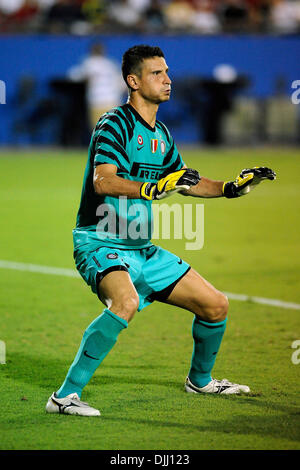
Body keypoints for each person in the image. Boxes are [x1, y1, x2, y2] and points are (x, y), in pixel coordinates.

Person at [46, 45, 276, 417]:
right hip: (100, 240)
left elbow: (187, 181)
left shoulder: (162, 134)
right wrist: (151, 188)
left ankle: (200, 381)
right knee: (125, 303)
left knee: (216, 305)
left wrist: (232, 186)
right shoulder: (114, 123)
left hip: (142, 249)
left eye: (167, 72)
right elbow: (103, 181)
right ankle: (64, 397)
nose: (167, 80)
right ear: (133, 81)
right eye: (157, 73)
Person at [67, 43, 127, 130]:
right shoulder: (111, 64)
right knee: (114, 130)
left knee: (99, 131)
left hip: (97, 101)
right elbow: (122, 83)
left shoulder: (89, 62)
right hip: (113, 100)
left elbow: (74, 76)